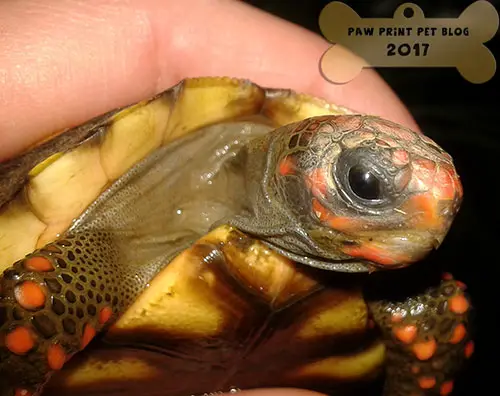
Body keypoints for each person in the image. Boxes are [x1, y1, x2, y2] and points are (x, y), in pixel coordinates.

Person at [0, 1, 418, 395]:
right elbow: (29, 314)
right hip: (99, 257)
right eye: (363, 182)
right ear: (295, 161)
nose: (424, 219)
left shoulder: (384, 280)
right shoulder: (107, 244)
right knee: (43, 305)